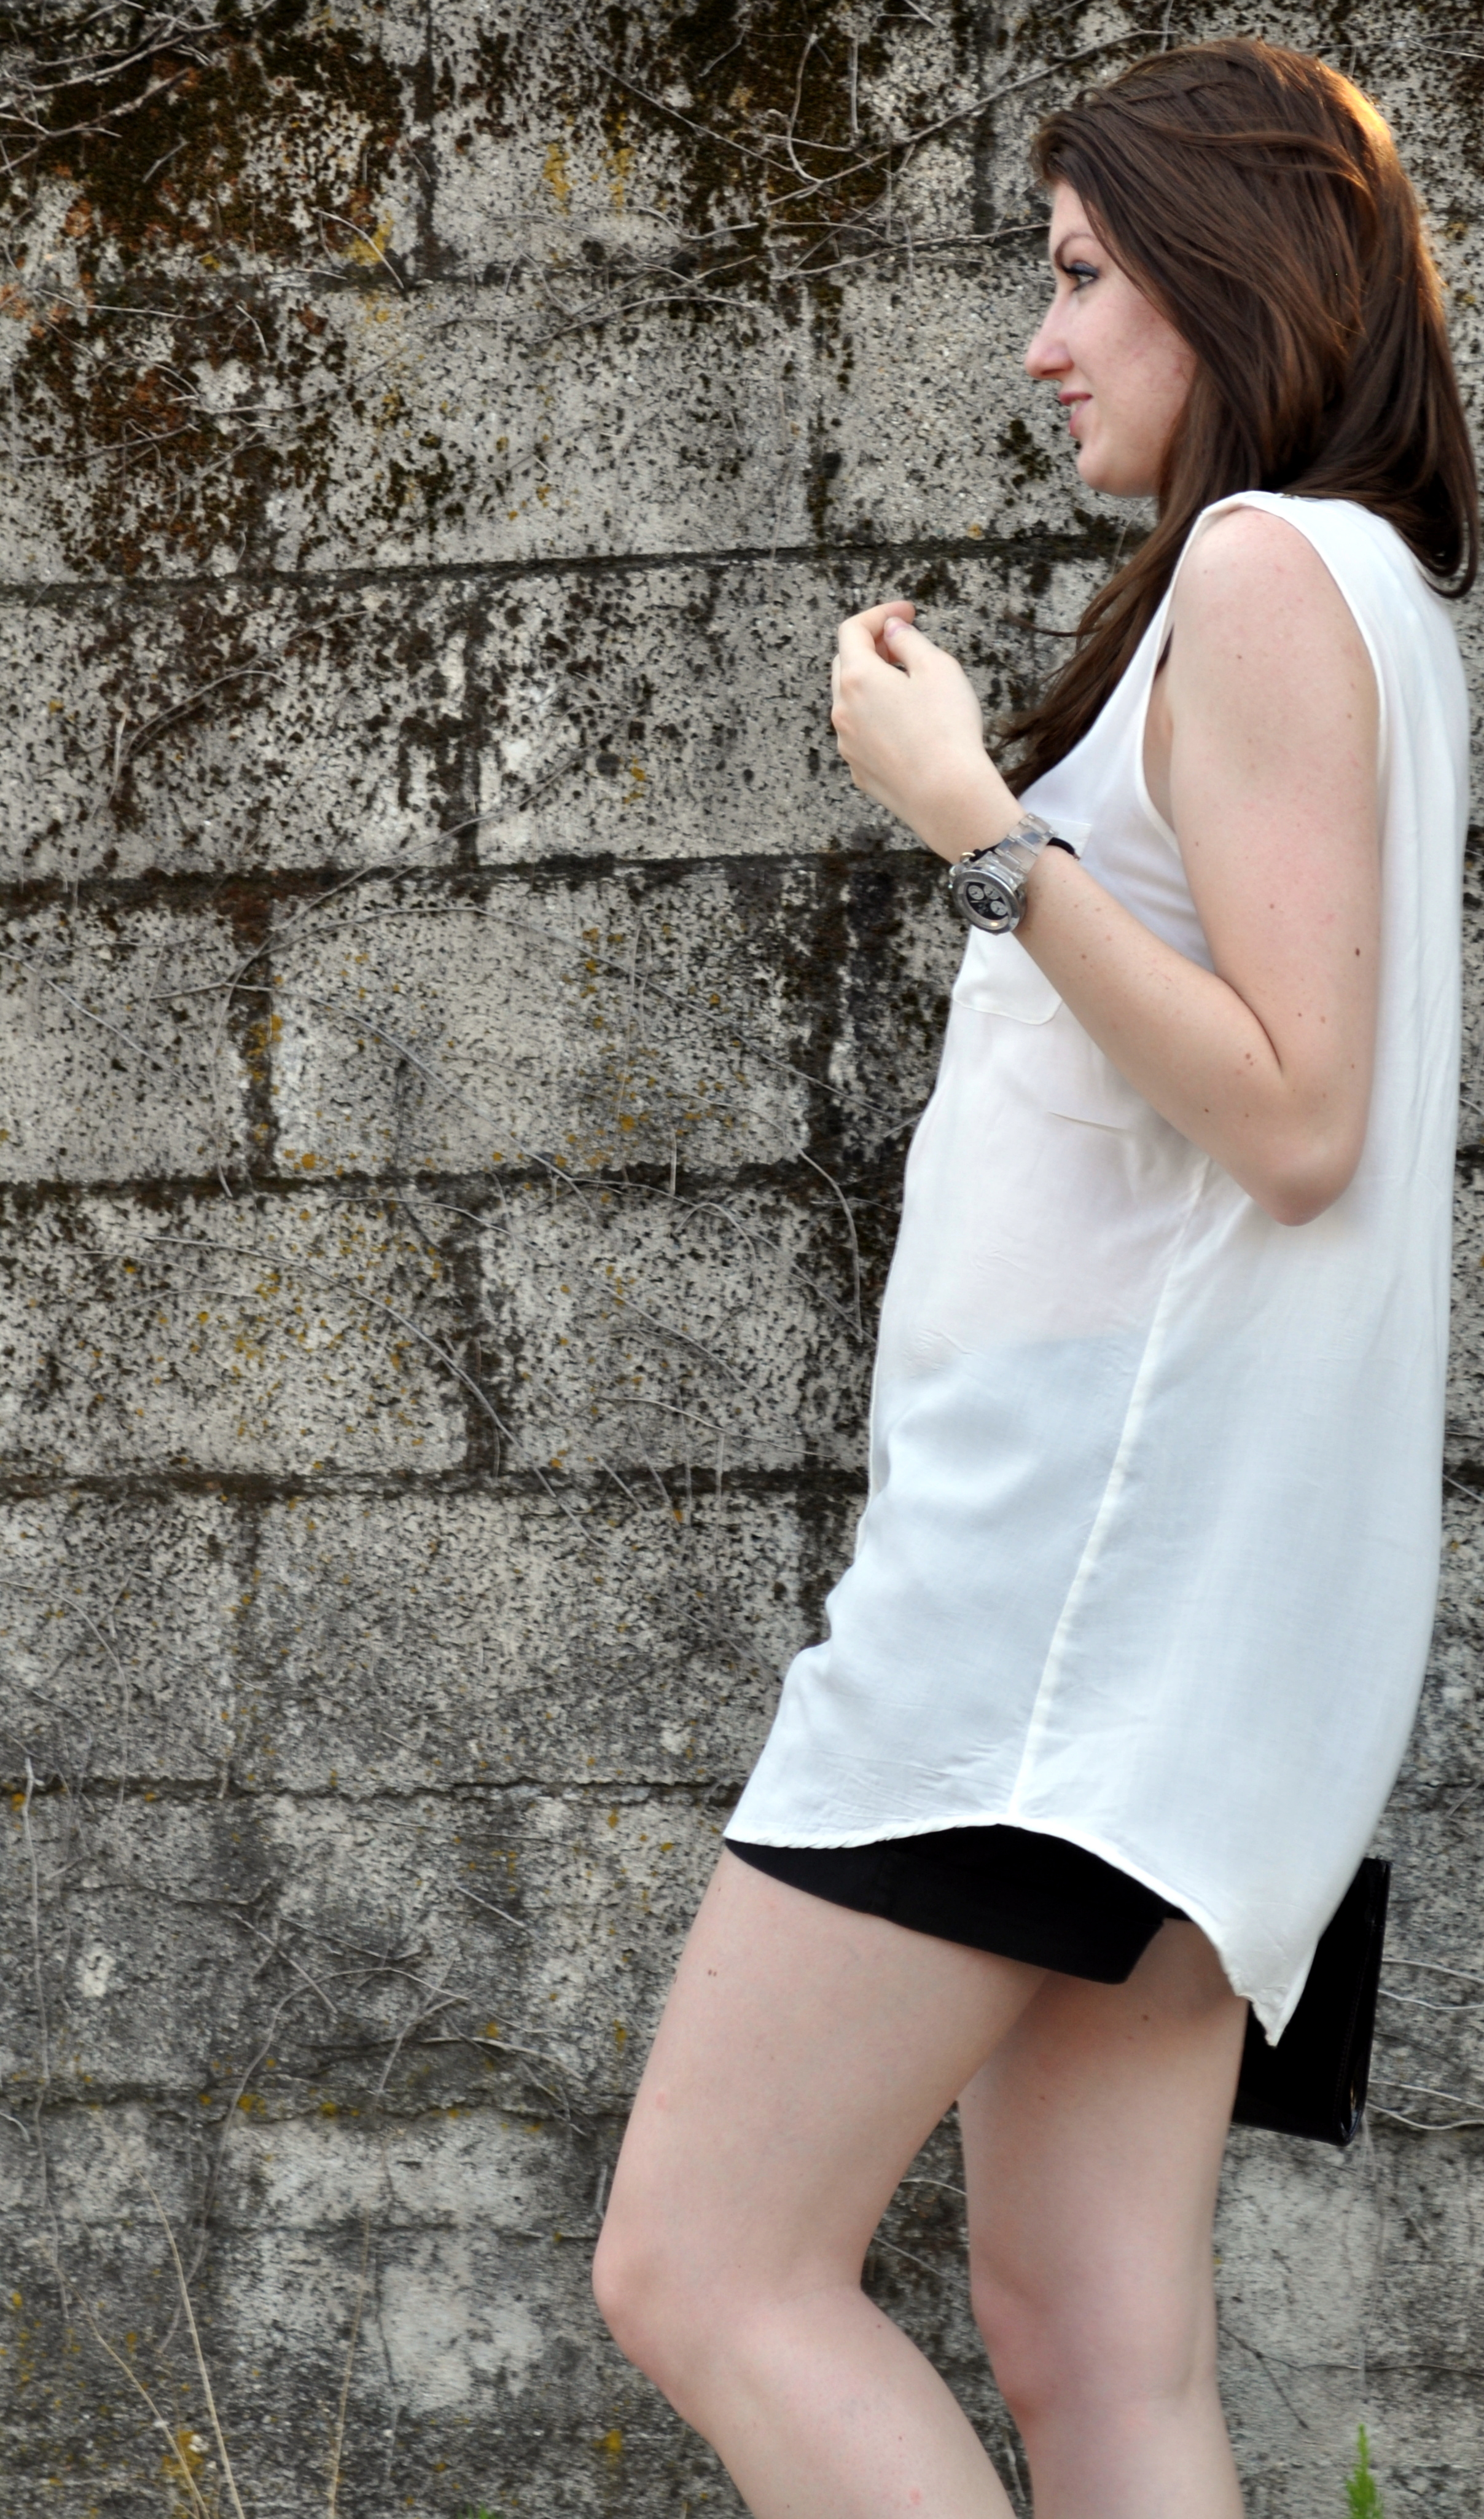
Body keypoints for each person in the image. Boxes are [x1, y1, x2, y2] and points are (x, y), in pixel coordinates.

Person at [592, 39, 1477, 2519]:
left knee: (704, 2265)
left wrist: (974, 824)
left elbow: (1289, 1115)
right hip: (1195, 1636)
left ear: (1228, 272)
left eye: (1083, 274)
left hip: (1057, 1630)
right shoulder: (1371, 597)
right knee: (1096, 2346)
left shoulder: (1268, 571)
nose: (1040, 336)